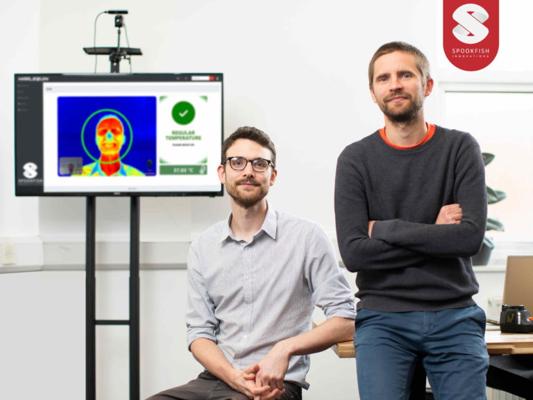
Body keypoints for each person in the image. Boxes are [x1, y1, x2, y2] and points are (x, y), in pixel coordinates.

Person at [148, 126, 355, 400]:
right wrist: (232, 376)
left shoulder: (307, 238)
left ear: (273, 175)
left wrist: (284, 349)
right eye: (237, 162)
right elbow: (199, 334)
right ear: (222, 173)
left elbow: (346, 320)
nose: (248, 171)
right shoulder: (203, 246)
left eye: (259, 164)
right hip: (218, 378)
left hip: (274, 385)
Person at [334, 41, 489, 400]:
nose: (395, 84)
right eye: (384, 78)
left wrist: (383, 229)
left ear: (427, 85)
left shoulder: (460, 148)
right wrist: (436, 234)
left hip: (454, 313)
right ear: (373, 92)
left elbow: (468, 239)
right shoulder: (355, 159)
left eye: (405, 74)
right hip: (383, 318)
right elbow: (355, 254)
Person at [79, 113, 144, 176]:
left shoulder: (138, 177)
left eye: (115, 131)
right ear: (96, 140)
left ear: (124, 139)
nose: (109, 136)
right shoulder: (79, 175)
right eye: (103, 131)